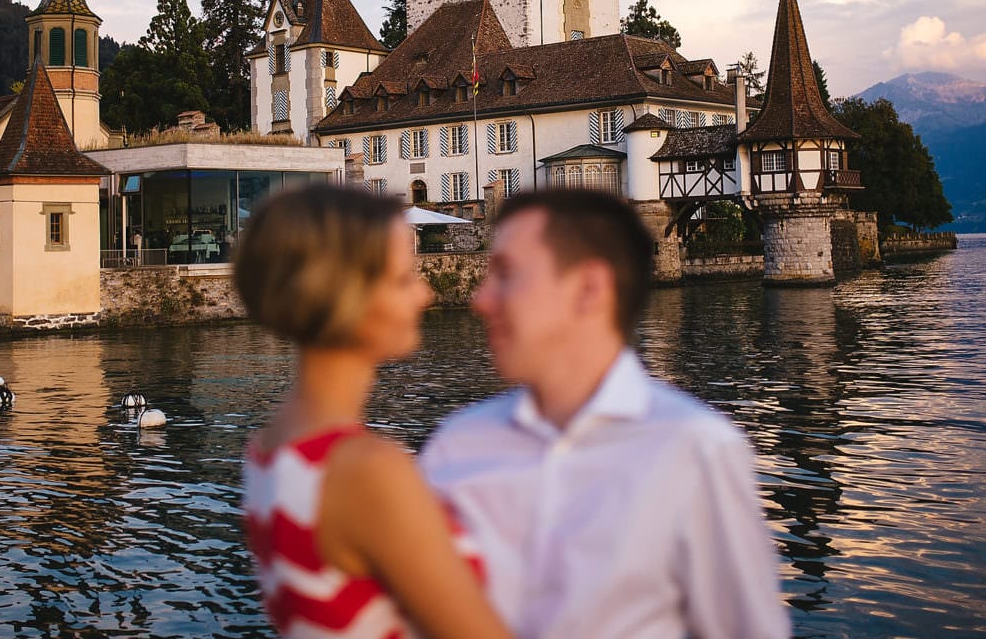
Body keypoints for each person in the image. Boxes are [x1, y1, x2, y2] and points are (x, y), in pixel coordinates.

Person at [421, 189, 791, 639]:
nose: (481, 299)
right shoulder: (454, 446)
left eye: (506, 274)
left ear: (589, 289)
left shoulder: (695, 451)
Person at [236, 184, 512, 639]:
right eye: (404, 279)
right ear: (350, 296)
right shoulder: (366, 471)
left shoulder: (271, 446)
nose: (424, 295)